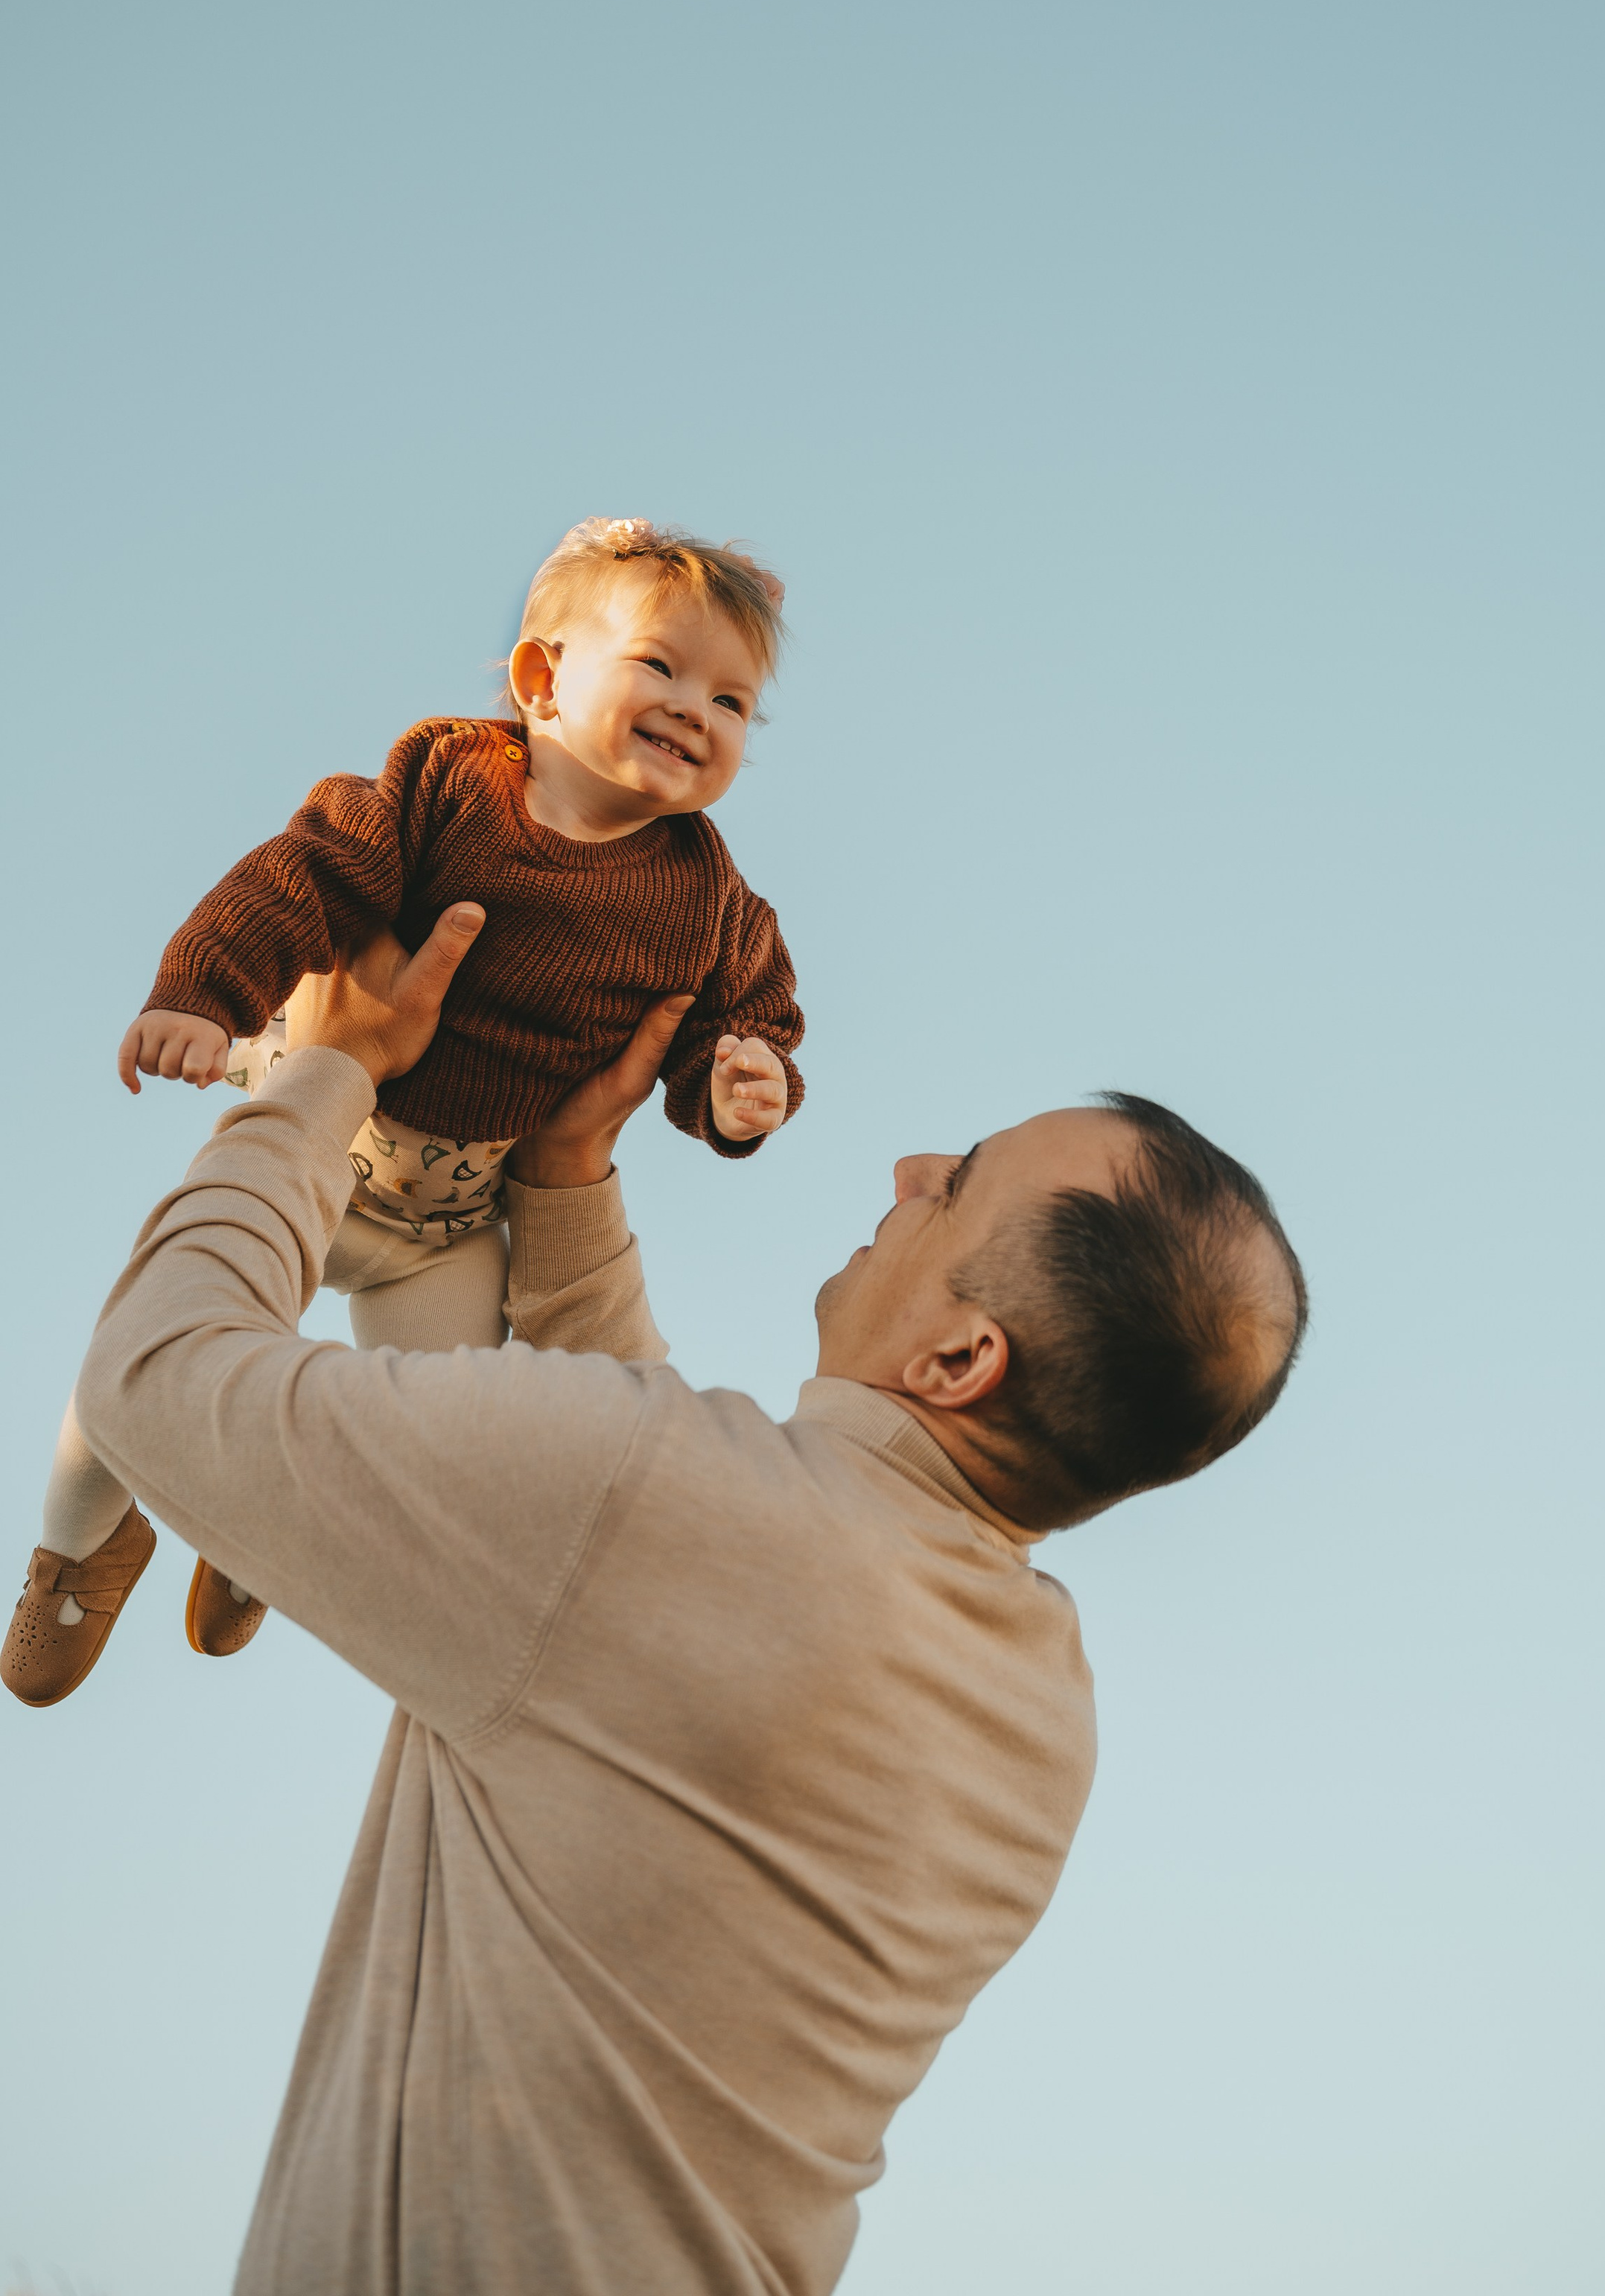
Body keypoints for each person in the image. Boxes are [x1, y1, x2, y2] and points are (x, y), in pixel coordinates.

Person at [60, 906, 1306, 2296]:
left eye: (956, 1185)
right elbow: (670, 1573)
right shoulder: (1040, 1707)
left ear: (962, 1357)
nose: (906, 1166)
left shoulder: (671, 1518)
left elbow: (154, 1379)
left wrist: (322, 1076)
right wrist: (569, 1178)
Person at [4, 517, 803, 1701]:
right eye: (661, 666)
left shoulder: (706, 897)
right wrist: (201, 993)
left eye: (734, 701)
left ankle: (266, 1528)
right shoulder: (446, 784)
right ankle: (79, 1550)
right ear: (541, 681)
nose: (699, 708)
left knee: (431, 1438)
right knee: (133, 1371)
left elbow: (743, 1015)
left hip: (449, 1223)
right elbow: (306, 874)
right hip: (320, 1141)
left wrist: (744, 1092)